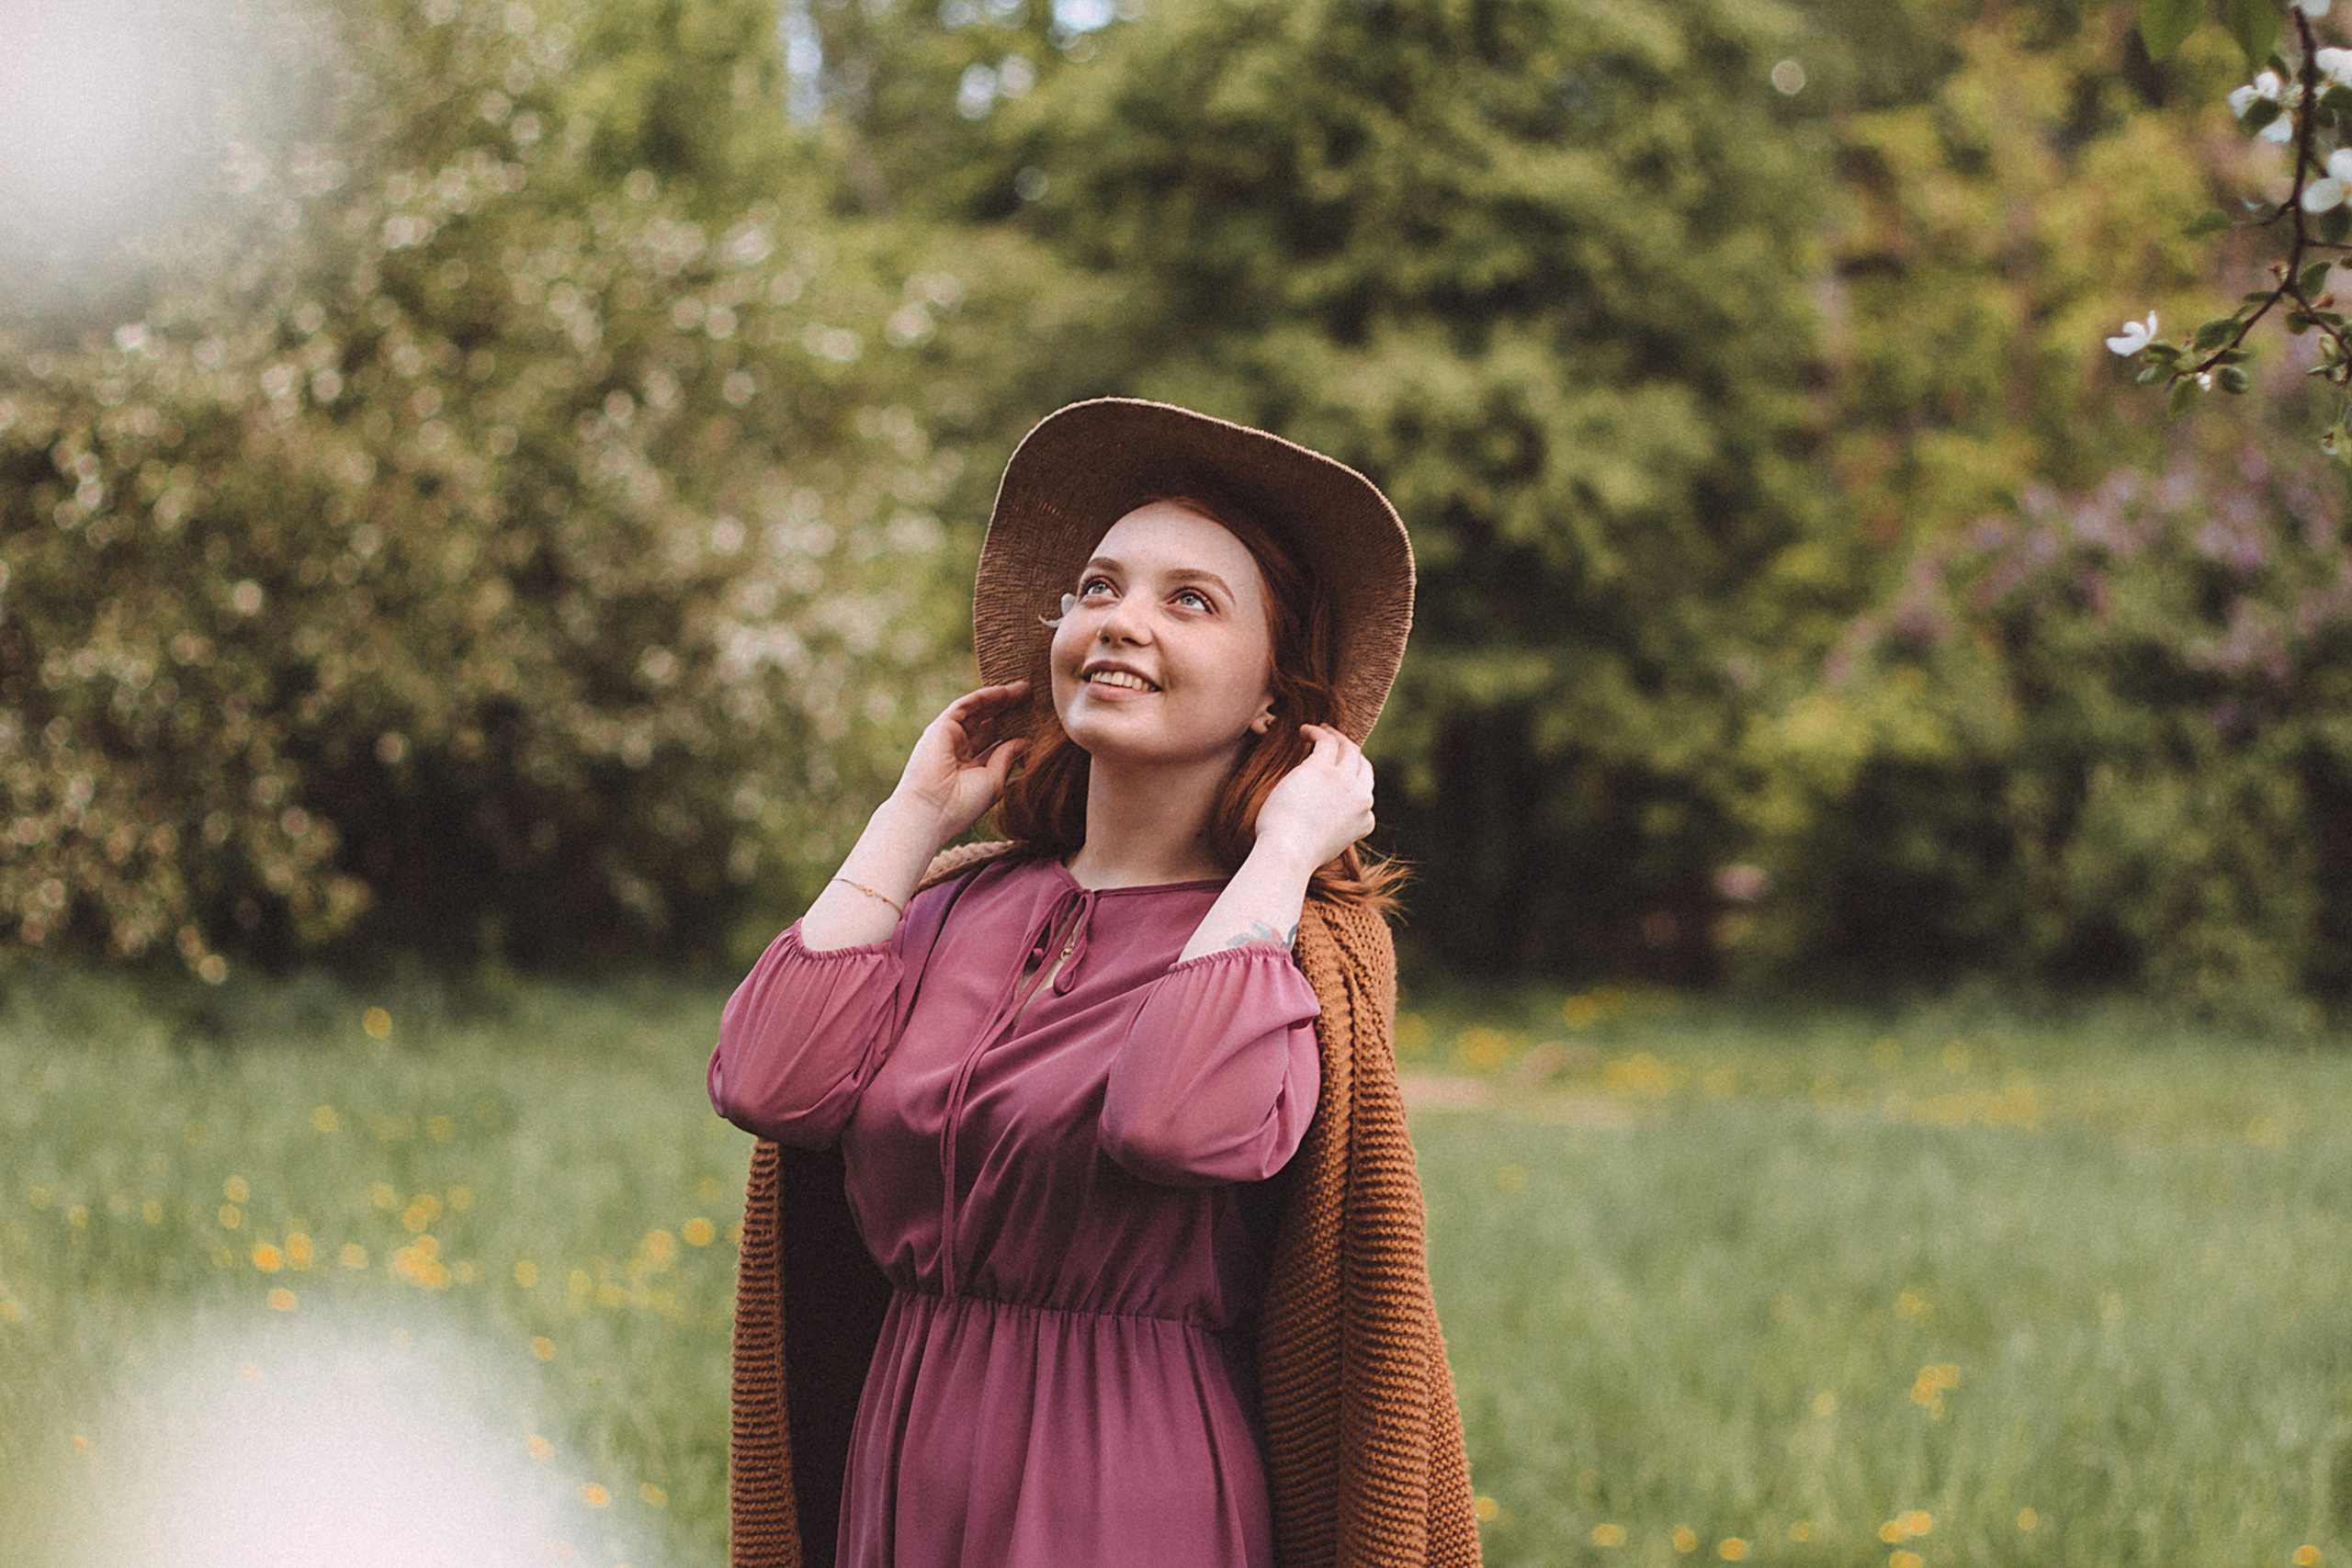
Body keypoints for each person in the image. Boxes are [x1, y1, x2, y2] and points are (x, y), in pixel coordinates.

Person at [711, 399, 1479, 1568]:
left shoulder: (1295, 942)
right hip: (904, 1464)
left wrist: (1281, 853)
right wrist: (910, 818)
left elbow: (1174, 1121)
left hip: (1129, 1485)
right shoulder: (952, 905)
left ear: (1276, 695)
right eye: (1098, 588)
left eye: (1190, 600)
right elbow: (767, 1081)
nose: (1120, 622)